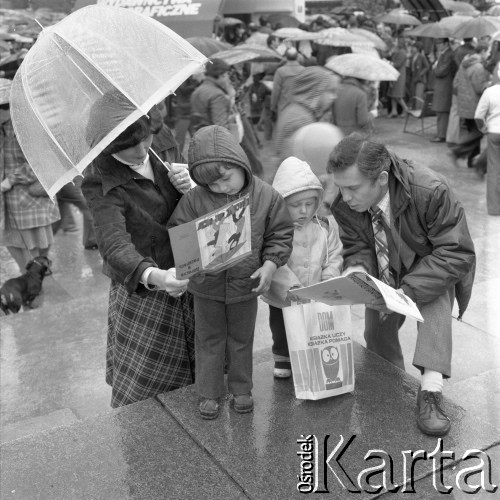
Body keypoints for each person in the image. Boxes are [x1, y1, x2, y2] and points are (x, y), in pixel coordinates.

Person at [328, 134, 475, 437]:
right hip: (385, 266)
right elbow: (356, 243)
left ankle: (431, 391)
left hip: (428, 262)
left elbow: (455, 251)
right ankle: (390, 382)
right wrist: (357, 268)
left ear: (382, 179)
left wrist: (408, 291)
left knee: (435, 300)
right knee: (376, 331)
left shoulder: (430, 190)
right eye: (339, 186)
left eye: (353, 187)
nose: (345, 196)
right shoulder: (345, 204)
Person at [168, 125, 293, 420]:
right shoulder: (194, 199)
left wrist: (270, 264)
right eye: (212, 184)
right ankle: (209, 392)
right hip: (206, 286)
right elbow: (178, 231)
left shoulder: (266, 196)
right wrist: (193, 256)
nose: (222, 187)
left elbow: (280, 233)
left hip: (246, 284)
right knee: (208, 339)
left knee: (241, 338)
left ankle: (241, 388)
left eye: (226, 178)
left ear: (240, 163)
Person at [81, 102, 195, 408]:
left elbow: (199, 196)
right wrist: (155, 277)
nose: (143, 149)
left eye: (145, 138)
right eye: (131, 146)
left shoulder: (161, 139)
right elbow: (114, 243)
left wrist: (191, 185)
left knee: (203, 369)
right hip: (146, 280)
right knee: (146, 388)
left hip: (189, 262)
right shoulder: (99, 177)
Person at [262, 156, 343, 378]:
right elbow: (274, 259)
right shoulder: (276, 230)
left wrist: (329, 277)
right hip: (283, 295)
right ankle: (283, 357)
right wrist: (291, 287)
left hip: (317, 291)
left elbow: (333, 254)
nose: (304, 211)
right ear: (281, 203)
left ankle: (311, 354)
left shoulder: (323, 227)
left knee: (314, 327)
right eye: (296, 205)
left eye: (310, 204)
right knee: (280, 326)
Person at [0, 78, 60, 273]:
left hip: (28, 192)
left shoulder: (26, 125)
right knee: (11, 238)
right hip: (8, 197)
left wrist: (12, 179)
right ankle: (28, 273)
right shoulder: (3, 127)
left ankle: (34, 274)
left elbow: (39, 159)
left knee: (37, 238)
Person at [273, 66, 339, 164]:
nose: (334, 97)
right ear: (316, 91)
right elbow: (297, 159)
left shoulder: (299, 111)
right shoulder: (301, 119)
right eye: (330, 91)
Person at [450, 43, 491, 168]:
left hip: (464, 105)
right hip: (475, 106)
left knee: (474, 133)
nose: (488, 54)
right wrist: (489, 83)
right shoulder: (478, 67)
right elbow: (480, 88)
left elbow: (455, 84)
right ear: (483, 51)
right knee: (477, 133)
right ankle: (460, 153)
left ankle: (470, 160)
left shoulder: (464, 64)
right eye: (488, 52)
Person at [474, 65, 500, 215]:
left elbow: (478, 116)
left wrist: (483, 129)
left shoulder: (489, 92)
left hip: (494, 133)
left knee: (493, 170)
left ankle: (494, 208)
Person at [431, 38, 457, 143]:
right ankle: (441, 133)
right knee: (441, 111)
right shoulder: (445, 54)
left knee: (442, 111)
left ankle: (441, 135)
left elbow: (440, 72)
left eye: (439, 43)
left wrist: (435, 66)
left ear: (446, 43)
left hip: (445, 87)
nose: (438, 45)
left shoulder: (448, 54)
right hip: (442, 87)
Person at [270, 47, 303, 119]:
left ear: (286, 57)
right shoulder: (304, 71)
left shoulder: (280, 71)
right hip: (301, 111)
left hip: (284, 111)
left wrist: (272, 108)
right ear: (297, 57)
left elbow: (275, 92)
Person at [387, 37, 407, 118]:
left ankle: (406, 109)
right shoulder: (397, 51)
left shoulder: (402, 52)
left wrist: (388, 63)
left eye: (395, 41)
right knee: (392, 94)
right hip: (395, 74)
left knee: (397, 95)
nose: (394, 42)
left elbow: (397, 64)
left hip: (399, 75)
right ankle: (394, 111)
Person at [409, 41, 429, 111]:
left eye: (413, 47)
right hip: (413, 78)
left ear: (417, 48)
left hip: (420, 79)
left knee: (418, 94)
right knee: (413, 94)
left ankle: (419, 109)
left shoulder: (421, 56)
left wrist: (421, 73)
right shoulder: (412, 56)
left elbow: (427, 66)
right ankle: (415, 108)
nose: (412, 49)